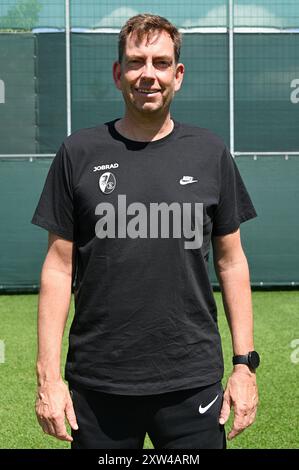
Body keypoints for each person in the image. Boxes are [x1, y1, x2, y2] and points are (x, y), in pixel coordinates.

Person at [31, 13, 259, 449]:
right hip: (98, 384)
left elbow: (232, 262)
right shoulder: (78, 153)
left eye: (160, 62)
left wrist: (244, 366)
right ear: (119, 74)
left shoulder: (210, 153)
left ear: (178, 74)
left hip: (191, 380)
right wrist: (48, 376)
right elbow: (59, 269)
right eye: (136, 62)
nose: (148, 75)